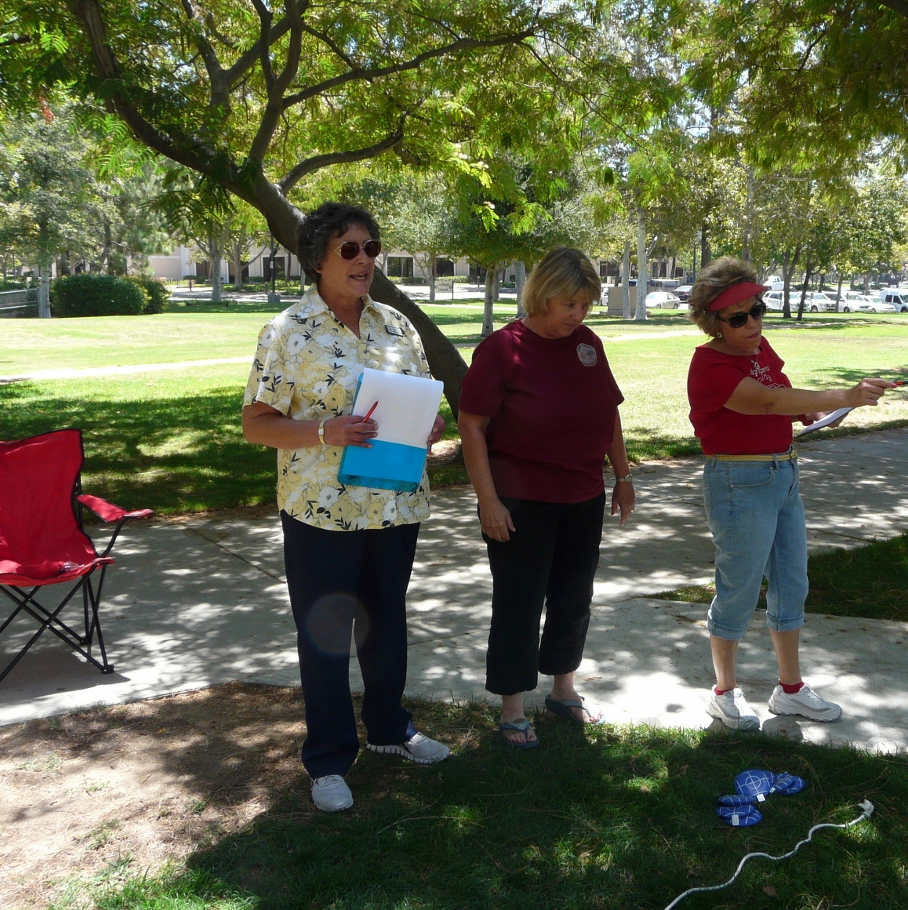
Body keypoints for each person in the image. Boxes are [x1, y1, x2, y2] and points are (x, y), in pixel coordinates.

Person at [242, 202, 448, 813]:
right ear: (317, 260)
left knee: (386, 622)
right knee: (327, 634)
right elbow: (257, 425)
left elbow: (417, 397)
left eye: (371, 247)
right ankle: (329, 758)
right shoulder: (287, 332)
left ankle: (389, 730)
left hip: (392, 503)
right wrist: (325, 433)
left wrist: (428, 423)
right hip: (320, 510)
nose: (365, 260)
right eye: (349, 250)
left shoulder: (397, 326)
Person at [686, 257, 891, 730]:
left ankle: (791, 689)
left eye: (757, 309)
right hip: (739, 481)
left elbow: (782, 397)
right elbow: (768, 401)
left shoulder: (760, 350)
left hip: (782, 475)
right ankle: (724, 692)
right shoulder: (709, 363)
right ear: (713, 321)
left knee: (791, 584)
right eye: (739, 317)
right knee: (738, 589)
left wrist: (812, 415)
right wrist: (843, 396)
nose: (754, 323)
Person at [457, 247, 635, 748]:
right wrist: (488, 500)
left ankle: (563, 689)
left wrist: (621, 476)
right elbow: (472, 426)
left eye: (585, 305)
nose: (578, 315)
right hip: (520, 500)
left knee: (573, 598)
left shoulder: (587, 344)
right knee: (519, 601)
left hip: (582, 494)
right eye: (569, 304)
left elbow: (610, 412)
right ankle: (513, 707)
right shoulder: (502, 348)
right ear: (543, 296)